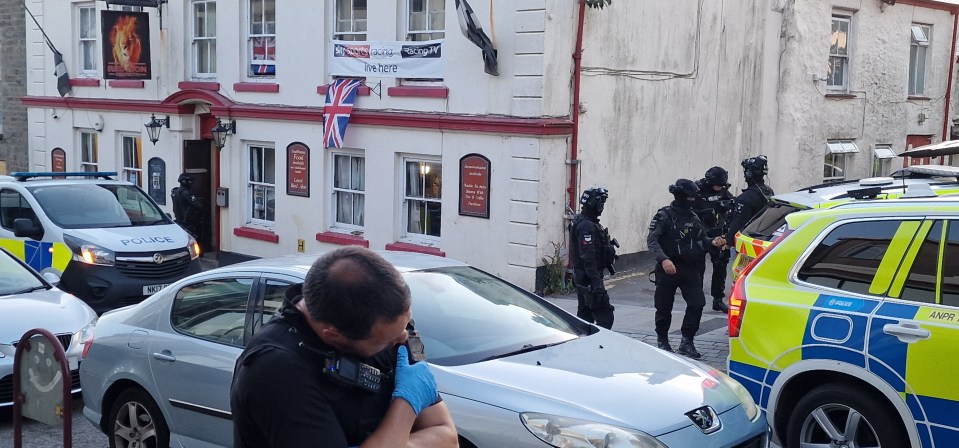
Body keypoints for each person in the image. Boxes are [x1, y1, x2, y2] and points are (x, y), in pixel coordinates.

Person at [230, 247, 458, 448]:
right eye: (386, 341)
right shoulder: (275, 370)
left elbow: (447, 438)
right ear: (334, 335)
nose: (403, 339)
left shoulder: (392, 328)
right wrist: (407, 404)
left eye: (407, 323)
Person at [647, 179, 726, 358]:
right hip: (668, 268)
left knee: (697, 303)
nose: (693, 200)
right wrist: (664, 260)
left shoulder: (693, 216)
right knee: (663, 306)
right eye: (690, 197)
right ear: (681, 196)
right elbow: (653, 240)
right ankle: (662, 341)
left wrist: (713, 242)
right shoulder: (664, 215)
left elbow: (702, 238)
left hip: (690, 269)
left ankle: (687, 342)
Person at [569, 187, 618, 330]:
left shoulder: (587, 222)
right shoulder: (586, 226)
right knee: (605, 315)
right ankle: (598, 345)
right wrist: (596, 284)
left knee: (585, 316)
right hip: (589, 277)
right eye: (600, 203)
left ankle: (583, 345)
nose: (602, 207)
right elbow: (588, 257)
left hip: (585, 276)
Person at [694, 167, 735, 313]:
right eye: (717, 186)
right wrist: (705, 212)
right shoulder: (697, 190)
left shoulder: (722, 190)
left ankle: (718, 299)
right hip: (699, 234)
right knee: (698, 267)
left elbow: (732, 202)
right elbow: (686, 211)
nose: (719, 189)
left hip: (717, 234)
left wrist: (727, 206)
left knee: (720, 264)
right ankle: (696, 299)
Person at [724, 155, 775, 247]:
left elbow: (737, 224)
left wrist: (728, 242)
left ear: (749, 173)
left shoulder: (745, 198)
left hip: (744, 244)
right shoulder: (768, 191)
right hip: (762, 241)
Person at [171, 172, 203, 238]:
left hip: (180, 221)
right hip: (188, 223)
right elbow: (199, 205)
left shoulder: (175, 192)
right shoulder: (186, 193)